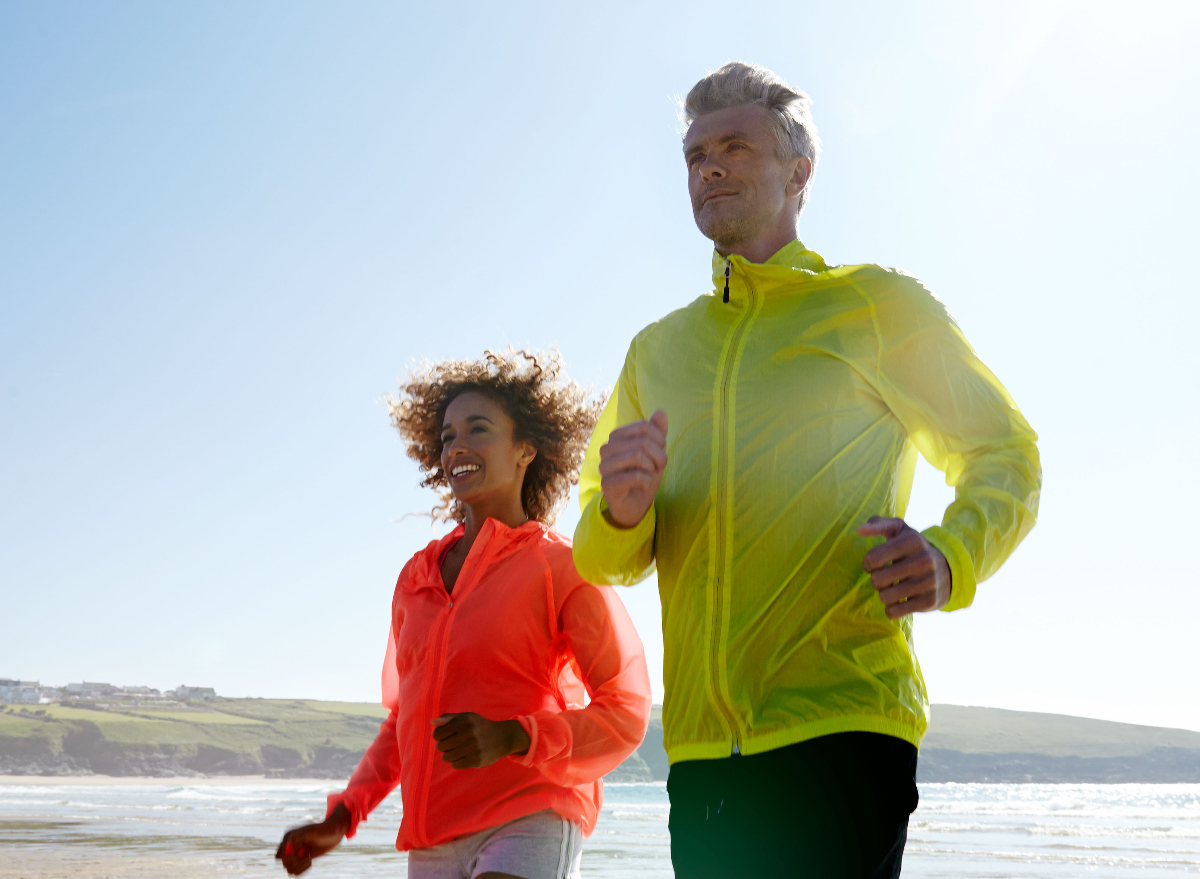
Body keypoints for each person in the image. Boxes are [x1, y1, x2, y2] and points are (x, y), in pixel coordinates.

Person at [572, 62, 1041, 878]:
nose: (707, 167)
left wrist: (951, 556)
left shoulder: (878, 305)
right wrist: (621, 508)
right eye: (693, 155)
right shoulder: (656, 351)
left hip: (844, 728)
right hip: (702, 756)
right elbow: (601, 557)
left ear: (798, 174)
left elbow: (1005, 453)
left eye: (732, 146)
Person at [277, 349, 651, 879]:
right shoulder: (416, 579)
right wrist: (342, 818)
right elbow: (406, 722)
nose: (458, 448)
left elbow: (626, 707)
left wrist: (515, 736)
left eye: (478, 429)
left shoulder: (560, 566)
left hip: (531, 815)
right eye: (448, 437)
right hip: (434, 837)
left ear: (527, 449)